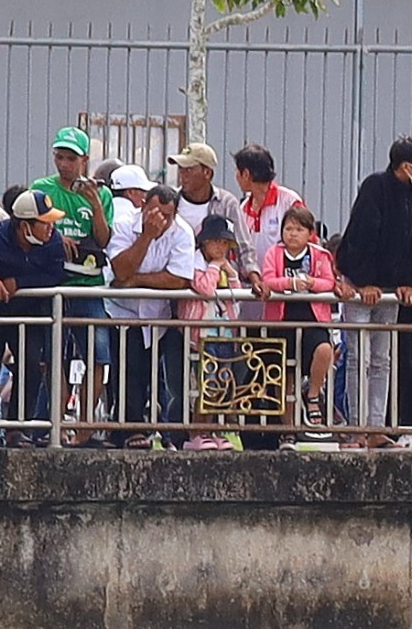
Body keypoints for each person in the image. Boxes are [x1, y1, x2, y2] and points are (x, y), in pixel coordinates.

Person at [333, 136, 412, 445]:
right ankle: (354, 426)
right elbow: (362, 236)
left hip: (393, 285)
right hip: (362, 283)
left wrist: (410, 281)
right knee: (358, 355)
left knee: (382, 358)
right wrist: (363, 281)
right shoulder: (376, 188)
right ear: (406, 167)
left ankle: (375, 426)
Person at [0, 188, 69, 446]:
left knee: (31, 366)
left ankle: (17, 428)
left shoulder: (53, 242)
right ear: (24, 226)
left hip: (28, 315)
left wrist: (19, 282)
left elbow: (55, 276)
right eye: (44, 223)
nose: (51, 228)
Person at [104, 166, 198, 443]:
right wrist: (145, 236)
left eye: (167, 217)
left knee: (168, 378)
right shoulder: (124, 225)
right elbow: (120, 270)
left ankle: (172, 434)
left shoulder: (182, 232)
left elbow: (180, 278)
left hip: (161, 314)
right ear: (143, 206)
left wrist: (137, 281)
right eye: (155, 214)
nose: (161, 221)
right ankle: (130, 430)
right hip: (124, 312)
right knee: (128, 371)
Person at [33, 127, 115, 439]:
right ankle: (56, 421)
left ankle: (83, 425)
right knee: (52, 356)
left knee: (97, 354)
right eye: (59, 157)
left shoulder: (102, 193)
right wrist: (55, 235)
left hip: (88, 283)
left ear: (84, 160)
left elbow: (104, 238)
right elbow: (29, 222)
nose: (63, 164)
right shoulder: (42, 188)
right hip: (53, 281)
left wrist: (95, 202)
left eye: (70, 158)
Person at [259, 201, 339, 435]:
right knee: (284, 377)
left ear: (310, 234)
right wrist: (291, 283)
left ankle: (313, 392)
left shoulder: (320, 255)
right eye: (288, 229)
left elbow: (329, 282)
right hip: (282, 321)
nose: (292, 234)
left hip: (312, 319)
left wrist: (312, 283)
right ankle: (288, 429)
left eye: (299, 229)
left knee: (324, 350)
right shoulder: (274, 253)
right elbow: (268, 279)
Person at [180, 213, 248, 449]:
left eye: (225, 243)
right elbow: (204, 288)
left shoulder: (225, 266)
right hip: (203, 335)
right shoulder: (196, 263)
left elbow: (236, 296)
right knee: (205, 383)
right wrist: (214, 267)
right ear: (204, 241)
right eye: (216, 242)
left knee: (222, 384)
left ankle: (214, 430)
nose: (221, 248)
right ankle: (197, 432)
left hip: (225, 333)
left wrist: (230, 273)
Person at [170, 142, 256, 281]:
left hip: (217, 287)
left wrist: (254, 277)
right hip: (176, 285)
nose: (182, 175)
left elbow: (244, 246)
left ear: (207, 173)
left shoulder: (227, 203)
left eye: (189, 170)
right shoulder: (172, 202)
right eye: (181, 169)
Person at [230, 145, 300, 278]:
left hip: (284, 290)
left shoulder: (290, 202)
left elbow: (309, 241)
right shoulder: (243, 208)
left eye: (237, 171)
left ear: (246, 174)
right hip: (249, 291)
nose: (236, 177)